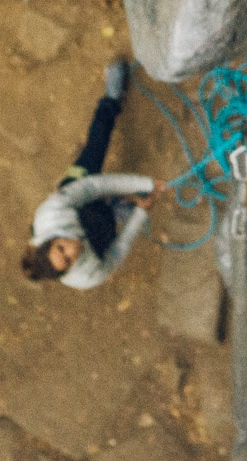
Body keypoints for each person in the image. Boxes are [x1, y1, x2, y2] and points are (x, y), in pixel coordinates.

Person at [22, 58, 156, 290]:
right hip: (98, 230)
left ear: (52, 239)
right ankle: (115, 210)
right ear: (68, 270)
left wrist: (145, 183)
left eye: (61, 248)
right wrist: (140, 215)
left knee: (94, 149)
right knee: (110, 224)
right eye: (68, 260)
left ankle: (110, 100)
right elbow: (117, 252)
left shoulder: (51, 215)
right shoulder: (87, 276)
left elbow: (96, 186)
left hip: (77, 195)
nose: (71, 250)